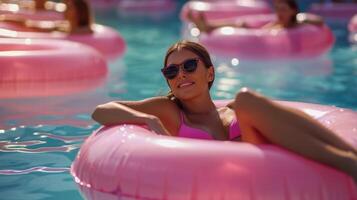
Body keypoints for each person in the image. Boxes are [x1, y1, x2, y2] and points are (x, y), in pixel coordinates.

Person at [92, 40, 357, 182]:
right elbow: (100, 111)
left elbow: (293, 123)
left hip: (262, 180)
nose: (180, 74)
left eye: (189, 66)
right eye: (171, 71)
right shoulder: (170, 111)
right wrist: (146, 118)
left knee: (246, 100)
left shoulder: (235, 111)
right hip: (212, 188)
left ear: (209, 73)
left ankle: (349, 158)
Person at [188, 0, 324, 33]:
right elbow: (263, 32)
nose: (279, 13)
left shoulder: (296, 24)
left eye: (283, 9)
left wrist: (300, 17)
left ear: (293, 11)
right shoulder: (278, 23)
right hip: (258, 33)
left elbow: (319, 20)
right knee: (242, 24)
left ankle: (207, 26)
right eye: (277, 9)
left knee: (243, 25)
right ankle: (208, 26)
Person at [0, 0, 93, 33]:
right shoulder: (61, 27)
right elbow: (30, 24)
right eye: (66, 7)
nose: (65, 10)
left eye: (69, 8)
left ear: (79, 12)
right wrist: (4, 18)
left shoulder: (86, 31)